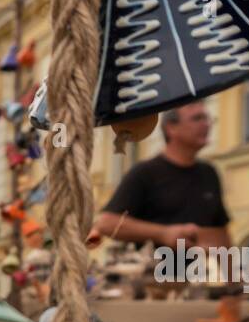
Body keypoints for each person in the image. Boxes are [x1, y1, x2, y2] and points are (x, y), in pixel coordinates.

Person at [93, 102, 231, 250]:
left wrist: (233, 272)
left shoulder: (209, 173)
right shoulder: (144, 173)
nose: (206, 125)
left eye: (207, 118)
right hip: (151, 270)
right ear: (171, 128)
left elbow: (220, 233)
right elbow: (106, 223)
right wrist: (163, 234)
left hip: (197, 272)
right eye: (197, 118)